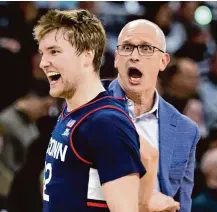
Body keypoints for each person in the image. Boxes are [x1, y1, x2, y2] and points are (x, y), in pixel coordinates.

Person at [33, 9, 146, 212]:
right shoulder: (75, 109)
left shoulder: (106, 123)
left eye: (54, 51)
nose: (43, 63)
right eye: (43, 53)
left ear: (87, 55)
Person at [107, 19, 200, 212]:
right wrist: (145, 200)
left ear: (163, 61)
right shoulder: (89, 104)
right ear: (116, 58)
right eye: (127, 47)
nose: (134, 56)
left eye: (146, 49)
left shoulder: (186, 130)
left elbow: (182, 203)